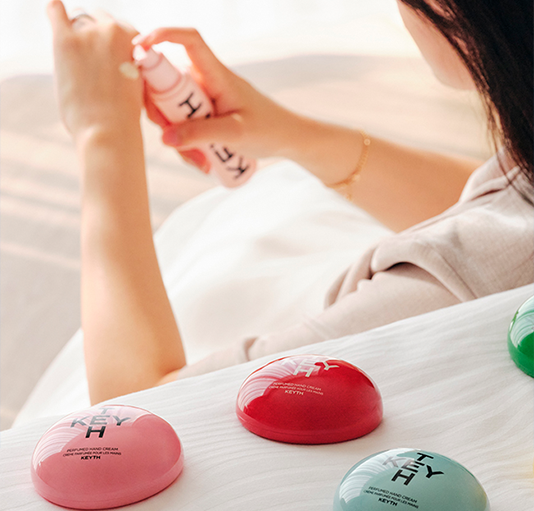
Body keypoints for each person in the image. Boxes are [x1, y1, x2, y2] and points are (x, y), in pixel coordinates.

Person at [46, 0, 533, 404]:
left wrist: (103, 134)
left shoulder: (465, 286)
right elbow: (500, 204)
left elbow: (140, 409)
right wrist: (288, 134)